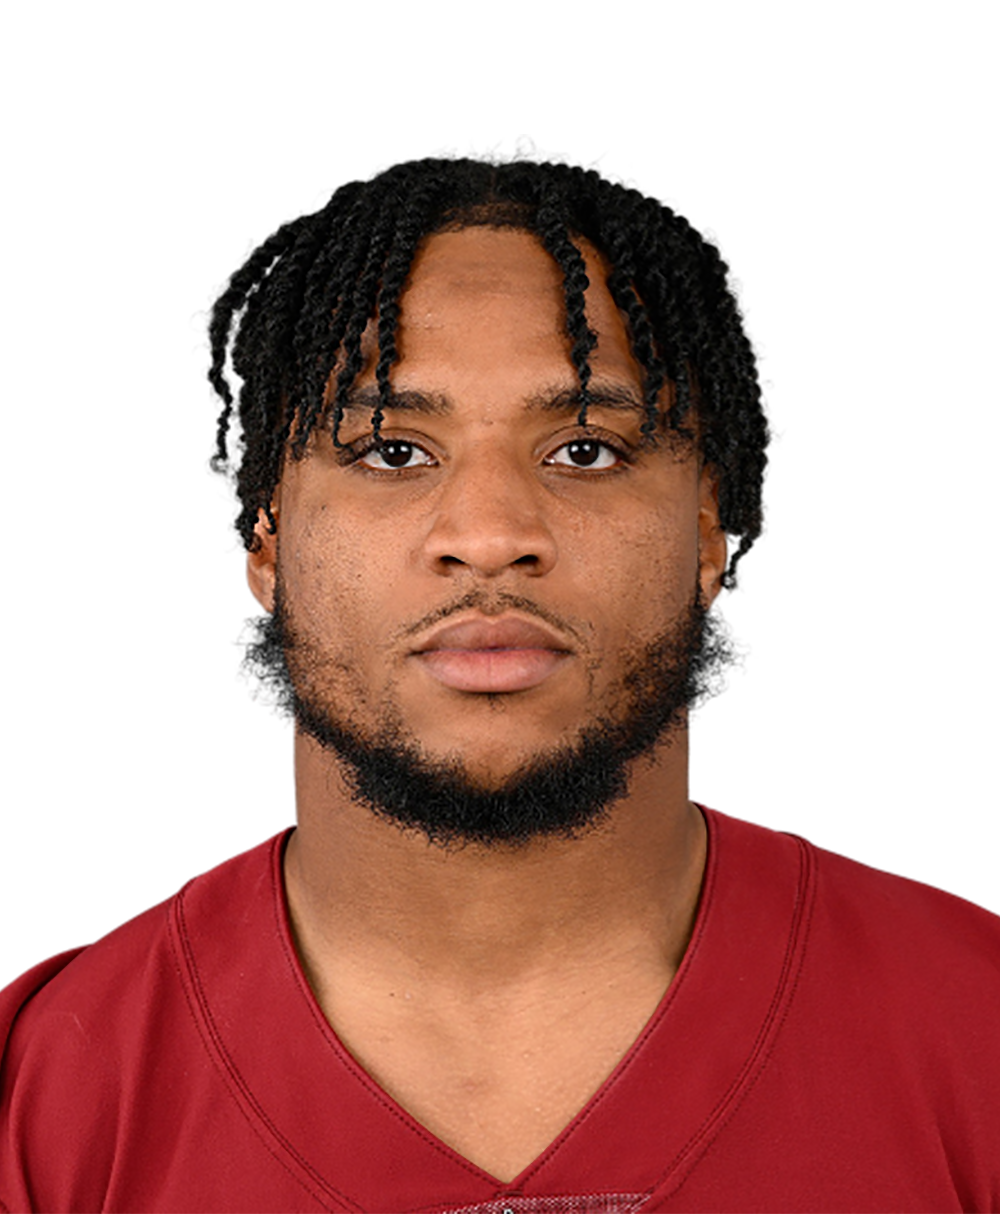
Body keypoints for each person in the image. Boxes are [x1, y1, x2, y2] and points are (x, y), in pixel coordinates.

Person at [1, 138, 998, 1213]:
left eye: (583, 448)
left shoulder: (977, 1026)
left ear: (708, 530)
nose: (488, 534)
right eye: (390, 450)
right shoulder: (43, 1085)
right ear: (267, 544)